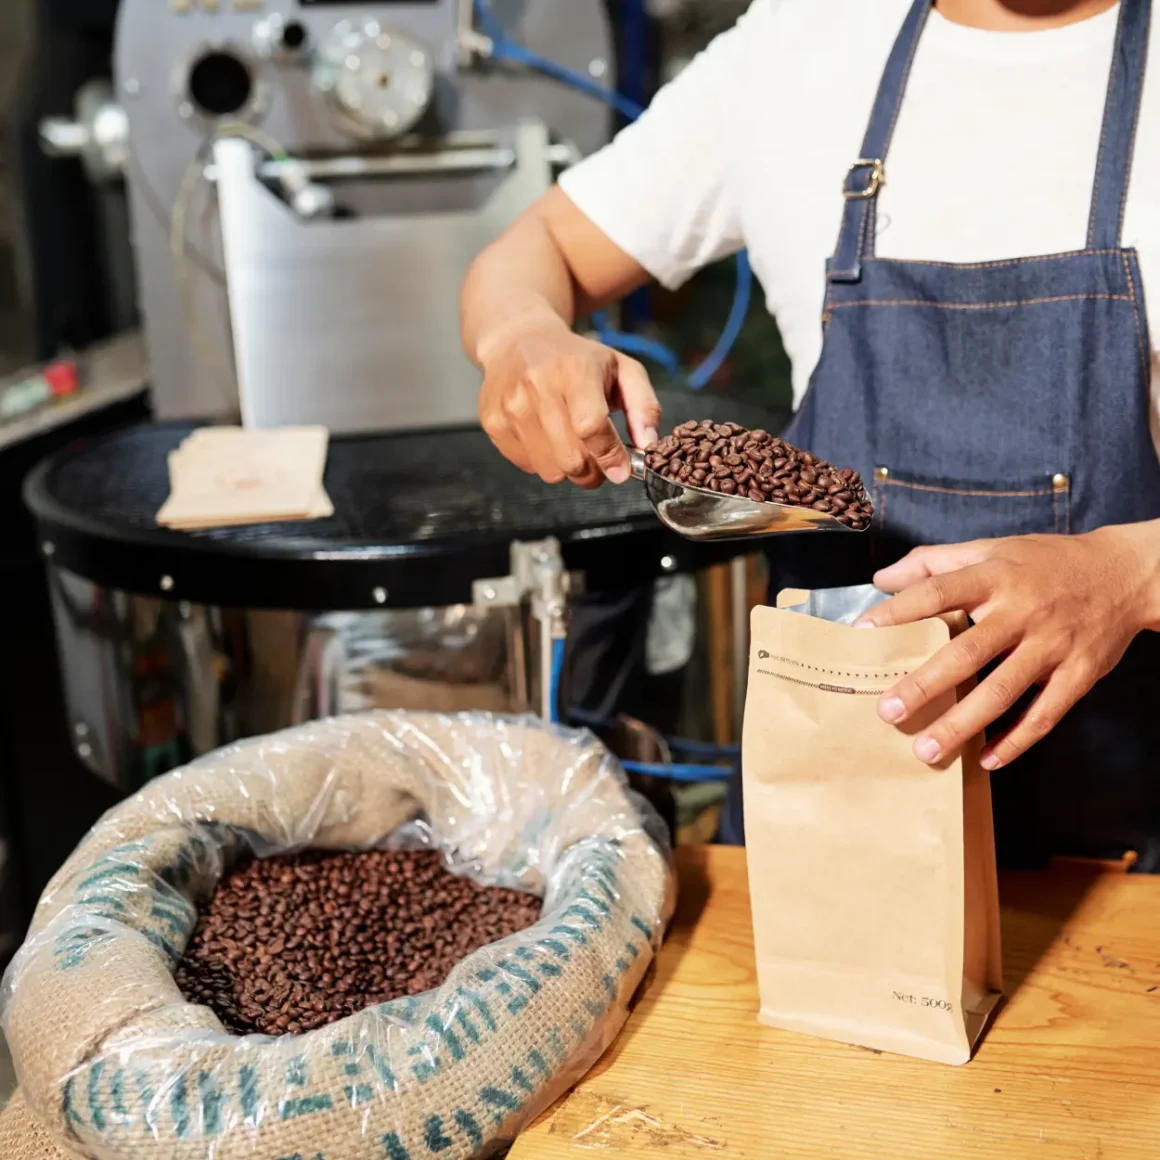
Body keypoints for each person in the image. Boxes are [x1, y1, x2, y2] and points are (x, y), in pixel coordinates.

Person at [461, 0, 1160, 869]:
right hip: (829, 807)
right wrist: (521, 334)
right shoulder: (800, 42)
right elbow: (538, 252)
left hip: (1118, 829)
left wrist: (1133, 573)